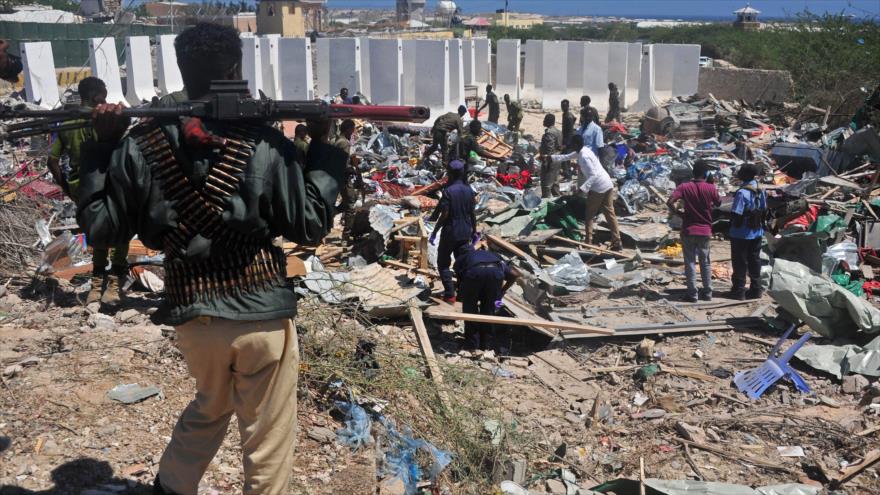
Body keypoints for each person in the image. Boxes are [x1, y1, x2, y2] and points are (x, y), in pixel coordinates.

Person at [78, 23, 348, 494]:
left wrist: (101, 148)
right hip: (260, 311)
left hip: (195, 316)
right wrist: (324, 149)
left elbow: (102, 229)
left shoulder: (141, 144)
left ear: (182, 69)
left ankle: (173, 487)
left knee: (210, 405)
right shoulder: (264, 142)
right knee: (266, 437)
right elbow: (309, 225)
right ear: (235, 69)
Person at [47, 77, 130, 306]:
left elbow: (52, 160)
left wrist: (67, 187)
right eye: (104, 94)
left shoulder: (67, 123)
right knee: (121, 227)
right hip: (107, 181)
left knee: (96, 233)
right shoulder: (104, 120)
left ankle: (96, 284)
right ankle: (113, 282)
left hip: (81, 186)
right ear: (97, 97)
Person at [553, 134, 621, 250]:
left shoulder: (584, 156)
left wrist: (581, 189)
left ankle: (588, 242)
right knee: (610, 213)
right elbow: (566, 157)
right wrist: (550, 157)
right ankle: (617, 241)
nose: (571, 147)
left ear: (576, 145)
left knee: (589, 214)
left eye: (572, 144)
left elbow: (593, 175)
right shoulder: (584, 150)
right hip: (607, 183)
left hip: (598, 186)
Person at [666, 160, 721, 302]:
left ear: (693, 172)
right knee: (705, 262)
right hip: (705, 230)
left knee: (690, 262)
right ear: (706, 173)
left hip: (689, 229)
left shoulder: (684, 187)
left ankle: (692, 294)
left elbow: (670, 201)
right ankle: (708, 293)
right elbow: (719, 203)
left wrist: (679, 213)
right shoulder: (710, 188)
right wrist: (712, 184)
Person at [453, 246, 520, 351]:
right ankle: (486, 345)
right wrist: (502, 292)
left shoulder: (462, 258)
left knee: (470, 309)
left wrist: (463, 295)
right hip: (495, 274)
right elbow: (515, 274)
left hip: (474, 273)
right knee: (489, 310)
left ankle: (471, 345)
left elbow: (460, 280)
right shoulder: (494, 256)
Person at [429, 160, 476, 303]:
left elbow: (445, 214)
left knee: (443, 262)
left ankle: (450, 294)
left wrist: (435, 231)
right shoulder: (469, 191)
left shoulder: (448, 191)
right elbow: (472, 213)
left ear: (449, 173)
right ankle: (462, 293)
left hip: (451, 231)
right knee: (462, 262)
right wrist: (474, 230)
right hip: (465, 231)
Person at [728, 163, 766, 301]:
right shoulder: (761, 190)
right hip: (757, 232)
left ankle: (739, 291)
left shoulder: (742, 192)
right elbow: (763, 209)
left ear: (745, 175)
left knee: (740, 262)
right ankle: (756, 290)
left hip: (741, 233)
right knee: (754, 260)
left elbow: (736, 214)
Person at [335, 119, 363, 213]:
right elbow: (344, 162)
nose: (353, 132)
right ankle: (348, 226)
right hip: (343, 176)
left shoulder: (339, 140)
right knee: (351, 201)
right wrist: (353, 170)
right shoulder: (344, 143)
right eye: (352, 129)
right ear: (348, 129)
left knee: (346, 201)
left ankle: (334, 212)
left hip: (339, 175)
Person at [539, 113, 563, 198]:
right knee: (555, 184)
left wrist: (546, 162)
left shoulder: (549, 133)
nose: (543, 121)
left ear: (548, 121)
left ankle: (545, 204)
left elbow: (549, 149)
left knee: (546, 185)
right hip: (557, 159)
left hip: (550, 161)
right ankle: (559, 202)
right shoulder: (558, 131)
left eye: (545, 119)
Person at [560, 99, 577, 180]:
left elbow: (569, 132)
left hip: (568, 140)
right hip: (565, 138)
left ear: (567, 106)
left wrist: (566, 143)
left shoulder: (568, 116)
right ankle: (567, 173)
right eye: (562, 106)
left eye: (564, 106)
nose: (563, 107)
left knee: (565, 158)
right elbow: (575, 118)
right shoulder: (565, 115)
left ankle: (568, 175)